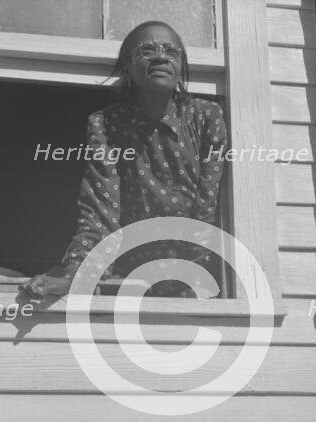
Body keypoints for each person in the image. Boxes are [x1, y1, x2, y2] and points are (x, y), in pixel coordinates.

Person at [22, 21, 227, 299]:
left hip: (196, 269)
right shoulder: (108, 124)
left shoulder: (206, 118)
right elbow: (101, 208)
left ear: (180, 68)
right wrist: (80, 275)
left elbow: (208, 205)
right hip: (131, 278)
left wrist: (198, 276)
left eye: (171, 50)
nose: (160, 56)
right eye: (147, 50)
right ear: (128, 69)